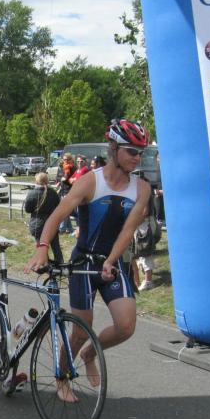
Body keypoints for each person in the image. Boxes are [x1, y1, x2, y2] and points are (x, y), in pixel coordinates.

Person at [25, 118, 152, 403]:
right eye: (132, 151)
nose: (137, 158)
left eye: (141, 153)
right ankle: (62, 376)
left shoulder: (141, 188)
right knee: (81, 329)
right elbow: (57, 215)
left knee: (126, 326)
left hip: (112, 262)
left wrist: (112, 260)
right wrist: (42, 248)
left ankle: (90, 354)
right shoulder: (90, 181)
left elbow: (128, 231)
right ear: (114, 148)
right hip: (82, 263)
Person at [24, 172, 64, 264]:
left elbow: (27, 209)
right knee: (55, 246)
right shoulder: (53, 193)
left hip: (37, 225)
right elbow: (58, 207)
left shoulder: (32, 193)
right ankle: (60, 264)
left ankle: (45, 264)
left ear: (36, 181)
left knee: (41, 247)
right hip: (51, 224)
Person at [56, 153, 75, 234]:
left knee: (64, 210)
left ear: (71, 160)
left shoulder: (73, 168)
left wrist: (66, 179)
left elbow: (73, 180)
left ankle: (62, 228)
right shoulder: (61, 167)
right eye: (64, 159)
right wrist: (58, 182)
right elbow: (58, 177)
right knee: (66, 210)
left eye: (67, 159)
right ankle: (70, 229)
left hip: (69, 191)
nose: (66, 161)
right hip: (62, 190)